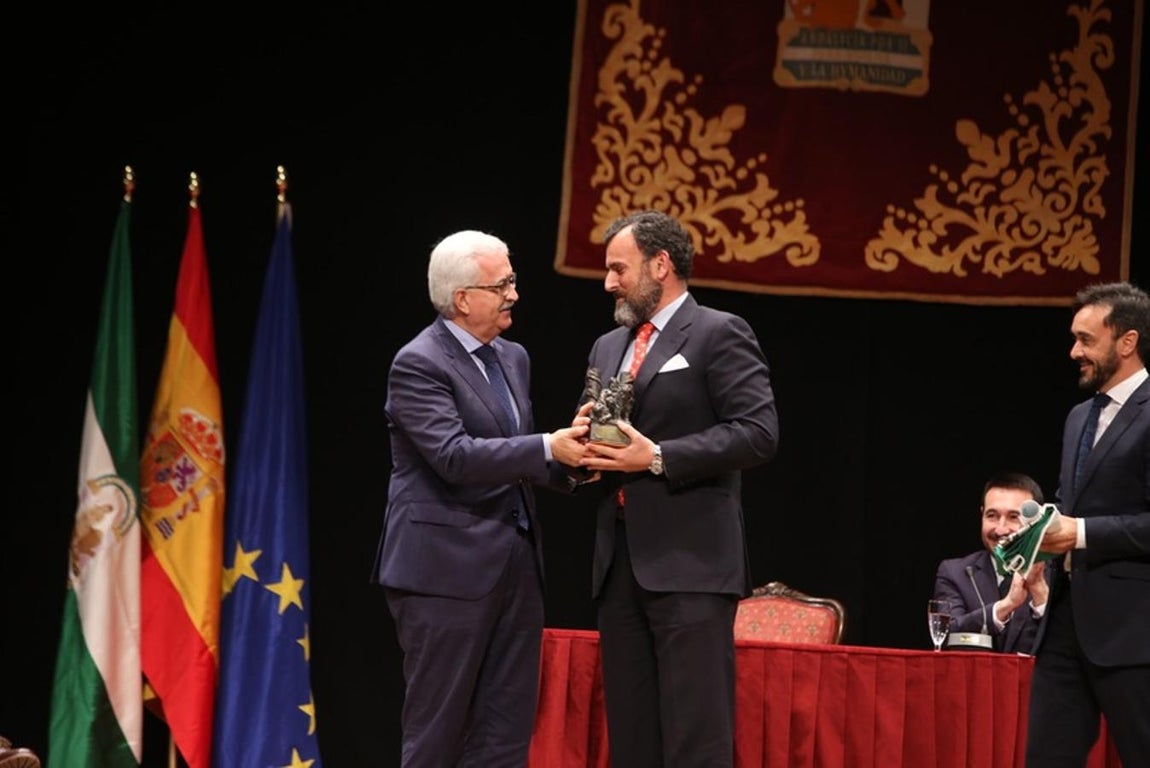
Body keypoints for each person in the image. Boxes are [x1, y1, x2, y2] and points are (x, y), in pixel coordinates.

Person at [370, 229, 591, 767]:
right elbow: (453, 456)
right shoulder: (418, 363)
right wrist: (546, 445)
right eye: (503, 284)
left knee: (505, 731)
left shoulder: (511, 357)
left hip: (515, 565)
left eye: (513, 280)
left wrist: (574, 462)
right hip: (443, 573)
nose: (515, 293)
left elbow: (516, 455)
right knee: (438, 729)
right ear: (463, 298)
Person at [577, 210, 779, 767]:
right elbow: (597, 432)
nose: (609, 282)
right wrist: (579, 454)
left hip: (691, 565)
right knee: (632, 735)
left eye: (619, 268)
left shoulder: (719, 331)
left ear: (660, 265)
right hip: (618, 566)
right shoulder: (605, 346)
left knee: (697, 736)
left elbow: (758, 434)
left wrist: (659, 457)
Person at [1025, 281, 1150, 767]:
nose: (1074, 351)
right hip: (1063, 624)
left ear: (1127, 341)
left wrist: (1077, 533)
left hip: (1133, 631)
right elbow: (1069, 503)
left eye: (1086, 339)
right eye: (1074, 338)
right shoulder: (1079, 417)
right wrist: (1037, 536)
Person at [932, 472, 1049, 654]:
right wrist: (1005, 606)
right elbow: (944, 635)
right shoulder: (955, 572)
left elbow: (1074, 642)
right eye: (992, 515)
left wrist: (1041, 595)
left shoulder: (1059, 573)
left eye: (1013, 517)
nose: (1001, 529)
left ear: (1038, 522)